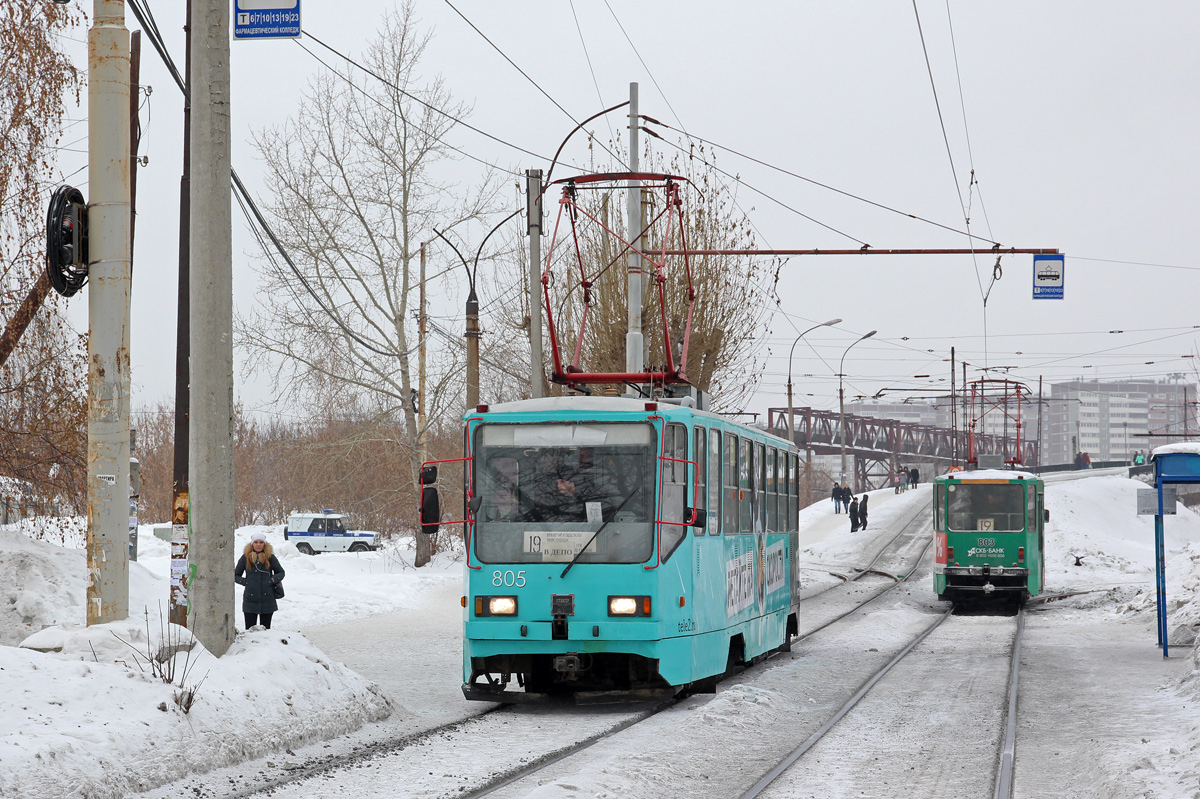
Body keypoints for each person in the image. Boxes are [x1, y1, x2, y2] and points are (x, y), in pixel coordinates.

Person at [234, 531, 284, 630]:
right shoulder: (245, 558)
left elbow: (281, 572)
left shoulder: (270, 557)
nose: (258, 545)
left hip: (267, 599)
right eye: (256, 542)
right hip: (250, 599)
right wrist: (246, 582)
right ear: (252, 543)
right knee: (249, 630)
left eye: (261, 542)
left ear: (264, 544)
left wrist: (272, 580)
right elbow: (235, 575)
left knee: (266, 630)